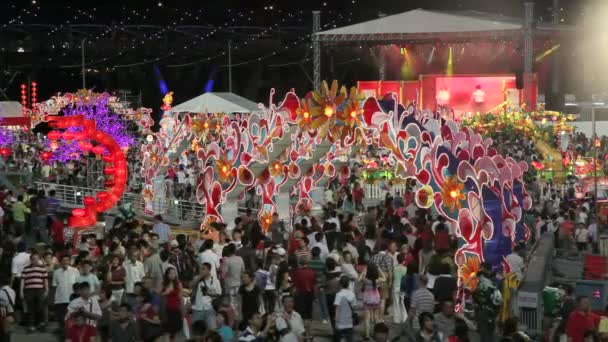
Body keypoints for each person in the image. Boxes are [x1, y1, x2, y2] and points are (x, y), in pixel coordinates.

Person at [52, 255, 79, 338]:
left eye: (67, 260)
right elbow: (54, 286)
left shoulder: (75, 271)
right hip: (60, 300)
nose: (65, 262)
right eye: (64, 260)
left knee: (73, 320)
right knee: (62, 321)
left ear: (70, 261)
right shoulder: (56, 272)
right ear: (61, 262)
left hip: (72, 300)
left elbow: (77, 285)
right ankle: (64, 337)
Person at [20, 252, 48, 332]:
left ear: (39, 259)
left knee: (40, 307)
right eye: (33, 259)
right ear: (31, 260)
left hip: (40, 290)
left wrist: (47, 290)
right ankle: (31, 326)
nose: (35, 260)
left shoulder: (42, 268)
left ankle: (41, 324)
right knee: (30, 308)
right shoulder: (26, 269)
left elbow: (45, 280)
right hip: (29, 291)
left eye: (37, 259)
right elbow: (22, 281)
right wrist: (21, 291)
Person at [191, 262, 221, 330]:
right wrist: (199, 277)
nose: (201, 271)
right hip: (198, 308)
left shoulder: (215, 281)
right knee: (197, 330)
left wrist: (208, 293)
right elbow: (190, 285)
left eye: (203, 269)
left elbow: (218, 294)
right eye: (201, 269)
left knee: (212, 329)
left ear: (209, 270)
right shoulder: (197, 278)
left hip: (210, 308)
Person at [290, 258, 316, 336]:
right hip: (310, 294)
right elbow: (314, 284)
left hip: (300, 295)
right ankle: (309, 333)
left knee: (302, 315)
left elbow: (294, 284)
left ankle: (303, 332)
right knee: (309, 314)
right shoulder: (312, 272)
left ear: (299, 264)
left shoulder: (296, 272)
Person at [161, 268, 183, 342]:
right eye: (170, 273)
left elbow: (180, 298)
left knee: (174, 332)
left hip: (176, 310)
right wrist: (166, 292)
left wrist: (182, 311)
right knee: (166, 332)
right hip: (166, 310)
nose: (172, 275)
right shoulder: (163, 284)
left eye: (174, 273)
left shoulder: (178, 284)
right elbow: (158, 296)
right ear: (167, 275)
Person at [334, 276, 356, 342]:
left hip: (340, 323)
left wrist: (336, 322)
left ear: (340, 284)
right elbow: (353, 307)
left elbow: (337, 310)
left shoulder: (338, 295)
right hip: (349, 323)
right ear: (348, 284)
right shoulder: (352, 294)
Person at [392, 253, 408, 324]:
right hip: (403, 288)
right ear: (404, 260)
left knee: (396, 303)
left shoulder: (394, 268)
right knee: (403, 303)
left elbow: (392, 278)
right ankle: (404, 318)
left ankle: (397, 320)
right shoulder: (405, 269)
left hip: (395, 286)